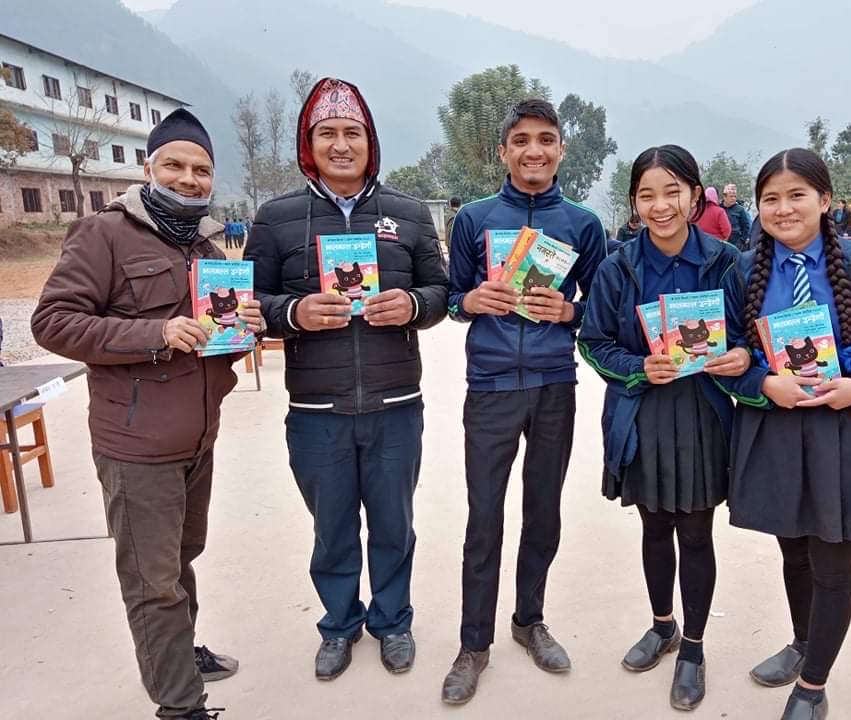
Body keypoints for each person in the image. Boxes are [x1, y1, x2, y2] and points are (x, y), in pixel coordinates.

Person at [31, 109, 264, 720]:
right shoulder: (103, 235)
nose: (189, 179)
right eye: (175, 166)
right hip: (136, 445)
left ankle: (180, 654)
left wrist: (244, 329)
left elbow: (215, 343)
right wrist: (155, 333)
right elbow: (52, 322)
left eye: (201, 170)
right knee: (151, 580)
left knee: (180, 559)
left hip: (196, 441)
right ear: (148, 169)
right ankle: (180, 706)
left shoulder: (205, 245)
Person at [244, 77, 448, 681]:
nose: (341, 144)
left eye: (352, 132)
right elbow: (247, 304)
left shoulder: (408, 214)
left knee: (393, 524)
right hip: (316, 409)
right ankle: (338, 624)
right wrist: (293, 313)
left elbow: (442, 292)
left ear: (370, 141)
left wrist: (412, 304)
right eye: (327, 133)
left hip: (396, 403)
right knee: (331, 527)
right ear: (308, 144)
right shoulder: (277, 219)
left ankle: (393, 621)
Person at [718, 148, 851, 719]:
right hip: (777, 434)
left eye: (797, 195)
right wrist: (765, 383)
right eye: (771, 199)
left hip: (846, 436)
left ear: (825, 200)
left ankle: (813, 685)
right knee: (793, 551)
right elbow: (728, 354)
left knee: (833, 566)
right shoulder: (744, 272)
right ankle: (802, 641)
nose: (783, 209)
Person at [442, 97, 606, 705]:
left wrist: (569, 311)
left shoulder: (583, 225)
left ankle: (529, 620)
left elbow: (603, 310)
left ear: (561, 149)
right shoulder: (474, 219)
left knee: (543, 511)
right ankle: (473, 644)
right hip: (489, 387)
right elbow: (451, 297)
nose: (533, 150)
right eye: (521, 140)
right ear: (503, 151)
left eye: (545, 139)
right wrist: (469, 302)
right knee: (483, 517)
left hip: (554, 385)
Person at [578, 145, 748, 712]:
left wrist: (741, 356)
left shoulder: (727, 262)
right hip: (643, 414)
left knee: (696, 532)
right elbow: (593, 342)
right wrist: (637, 367)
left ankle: (693, 649)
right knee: (654, 527)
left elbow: (752, 336)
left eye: (672, 191)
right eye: (646, 194)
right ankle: (661, 625)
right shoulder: (617, 266)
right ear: (633, 202)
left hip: (704, 414)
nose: (660, 205)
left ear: (695, 195)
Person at [722, 183, 753, 251]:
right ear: (724, 197)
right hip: (722, 243)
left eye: (735, 196)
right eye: (731, 196)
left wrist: (742, 241)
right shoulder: (719, 208)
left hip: (736, 244)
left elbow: (746, 226)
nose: (733, 198)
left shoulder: (740, 209)